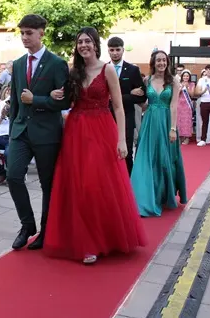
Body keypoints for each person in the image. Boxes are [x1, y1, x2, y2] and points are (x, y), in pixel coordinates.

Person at [44, 27, 146, 264]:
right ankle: (85, 242)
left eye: (87, 41)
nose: (83, 45)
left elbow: (118, 107)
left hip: (102, 130)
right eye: (80, 42)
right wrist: (54, 94)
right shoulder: (74, 72)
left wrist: (122, 139)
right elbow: (68, 100)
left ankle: (105, 238)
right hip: (76, 131)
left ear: (96, 44)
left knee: (96, 184)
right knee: (78, 185)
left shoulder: (107, 69)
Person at [7, 14, 70, 251]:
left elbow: (65, 101)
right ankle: (27, 225)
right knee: (13, 176)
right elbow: (15, 101)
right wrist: (13, 130)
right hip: (21, 131)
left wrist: (38, 100)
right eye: (22, 33)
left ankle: (46, 230)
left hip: (46, 133)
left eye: (29, 33)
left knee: (47, 184)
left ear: (41, 33)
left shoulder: (56, 63)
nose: (24, 37)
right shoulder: (18, 64)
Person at [130, 50, 187, 217]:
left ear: (167, 62)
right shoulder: (146, 80)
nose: (161, 63)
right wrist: (134, 96)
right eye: (158, 60)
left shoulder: (173, 81)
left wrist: (173, 129)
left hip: (166, 122)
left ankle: (162, 195)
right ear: (153, 63)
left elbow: (174, 106)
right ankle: (143, 198)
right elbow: (144, 104)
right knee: (145, 159)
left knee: (164, 159)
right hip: (149, 122)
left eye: (164, 60)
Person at [107, 36, 145, 174]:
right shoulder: (104, 69)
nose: (115, 53)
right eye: (112, 50)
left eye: (118, 49)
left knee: (126, 152)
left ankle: (128, 181)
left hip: (127, 117)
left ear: (123, 50)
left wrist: (119, 97)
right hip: (107, 117)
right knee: (109, 152)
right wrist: (129, 94)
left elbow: (142, 95)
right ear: (108, 51)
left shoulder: (132, 70)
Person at [177, 70, 195, 144]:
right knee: (179, 121)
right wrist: (181, 88)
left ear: (189, 77)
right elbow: (176, 94)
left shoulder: (192, 84)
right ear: (182, 77)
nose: (185, 77)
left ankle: (186, 137)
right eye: (184, 76)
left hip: (187, 105)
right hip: (179, 105)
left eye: (187, 76)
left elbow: (192, 95)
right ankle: (180, 137)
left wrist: (187, 87)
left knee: (187, 121)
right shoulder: (178, 84)